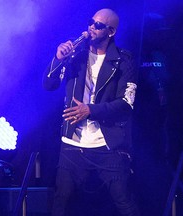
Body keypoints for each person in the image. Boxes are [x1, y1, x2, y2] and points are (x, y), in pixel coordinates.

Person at [43, 8, 140, 216]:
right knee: (61, 202)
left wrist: (90, 110)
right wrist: (58, 58)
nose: (91, 28)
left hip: (107, 143)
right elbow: (49, 84)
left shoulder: (123, 62)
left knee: (124, 201)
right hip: (73, 143)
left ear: (111, 32)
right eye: (91, 22)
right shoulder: (74, 56)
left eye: (98, 25)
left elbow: (126, 104)